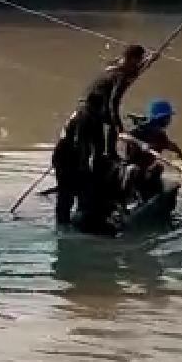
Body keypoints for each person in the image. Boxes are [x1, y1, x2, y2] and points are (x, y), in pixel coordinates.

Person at [81, 44, 153, 157]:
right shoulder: (120, 75)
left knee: (105, 138)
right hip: (91, 112)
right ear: (133, 59)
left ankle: (110, 155)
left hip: (92, 108)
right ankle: (109, 157)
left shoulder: (117, 67)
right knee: (99, 143)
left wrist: (149, 61)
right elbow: (113, 103)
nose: (139, 64)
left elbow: (135, 71)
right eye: (138, 60)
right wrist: (119, 127)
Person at [52, 92, 106, 226]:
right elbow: (80, 143)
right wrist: (84, 167)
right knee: (70, 194)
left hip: (62, 157)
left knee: (68, 194)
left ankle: (66, 222)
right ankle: (71, 223)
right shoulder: (86, 117)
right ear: (97, 106)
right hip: (67, 161)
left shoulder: (80, 112)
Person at [125, 99, 182, 199]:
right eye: (168, 117)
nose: (169, 120)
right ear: (161, 117)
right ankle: (137, 198)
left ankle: (153, 196)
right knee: (147, 171)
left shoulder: (159, 133)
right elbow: (123, 136)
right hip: (135, 170)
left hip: (146, 169)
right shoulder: (143, 129)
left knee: (158, 168)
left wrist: (180, 154)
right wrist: (141, 144)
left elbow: (169, 144)